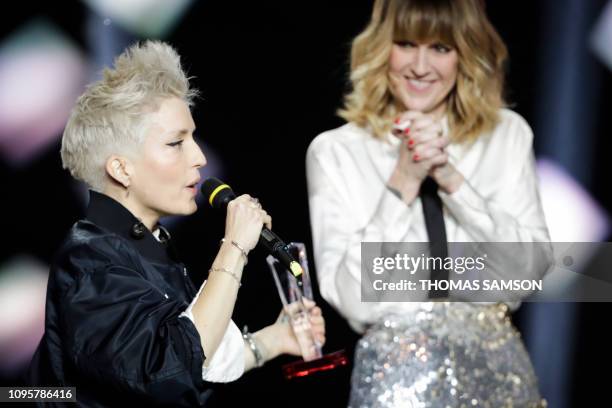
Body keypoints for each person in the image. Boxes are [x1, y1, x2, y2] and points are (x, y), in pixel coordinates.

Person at [27, 40, 325, 407]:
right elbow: (165, 371)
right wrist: (233, 249)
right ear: (121, 168)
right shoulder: (90, 261)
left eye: (193, 139)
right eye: (175, 143)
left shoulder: (145, 247)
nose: (199, 157)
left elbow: (194, 354)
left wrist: (274, 340)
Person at [306, 0, 551, 406]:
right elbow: (351, 298)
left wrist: (451, 179)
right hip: (395, 382)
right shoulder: (336, 152)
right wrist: (404, 178)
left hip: (498, 377)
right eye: (405, 44)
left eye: (440, 48)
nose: (420, 67)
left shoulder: (506, 135)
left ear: (465, 55)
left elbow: (529, 269)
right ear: (382, 48)